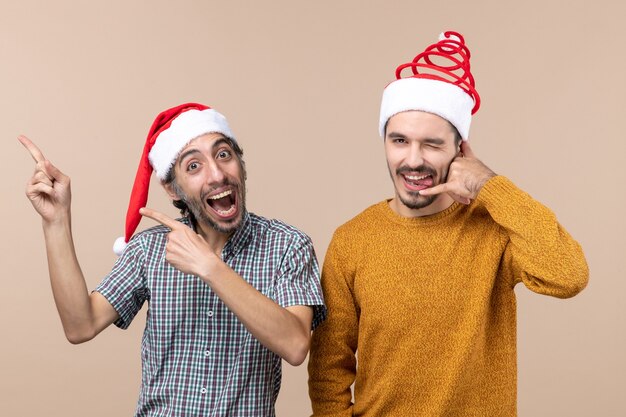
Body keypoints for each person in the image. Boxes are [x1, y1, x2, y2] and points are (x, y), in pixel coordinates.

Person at [307, 31, 588, 416]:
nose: (413, 160)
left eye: (432, 144)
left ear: (460, 150)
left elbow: (568, 275)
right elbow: (328, 369)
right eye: (400, 141)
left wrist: (490, 184)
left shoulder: (494, 227)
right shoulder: (352, 239)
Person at [20, 102, 326, 417]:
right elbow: (80, 325)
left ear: (241, 165)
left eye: (224, 155)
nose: (217, 174)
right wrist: (56, 221)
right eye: (194, 166)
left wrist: (210, 267)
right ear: (172, 189)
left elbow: (295, 344)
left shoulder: (288, 245)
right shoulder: (150, 249)